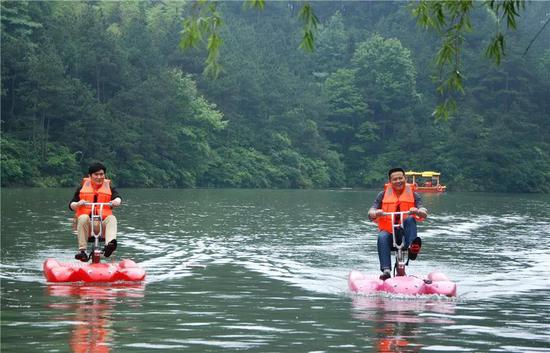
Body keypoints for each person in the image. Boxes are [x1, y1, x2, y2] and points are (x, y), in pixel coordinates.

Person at [368, 168, 428, 280]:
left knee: (410, 219)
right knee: (382, 236)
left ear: (405, 178)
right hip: (390, 235)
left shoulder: (414, 195)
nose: (398, 181)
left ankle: (412, 248)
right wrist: (376, 212)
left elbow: (424, 212)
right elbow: (371, 212)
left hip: (405, 236)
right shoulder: (382, 195)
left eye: (400, 178)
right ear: (390, 181)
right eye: (395, 179)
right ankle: (386, 271)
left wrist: (418, 211)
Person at [69, 162, 121, 261]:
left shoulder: (109, 187)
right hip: (86, 226)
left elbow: (118, 198)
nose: (99, 177)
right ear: (90, 176)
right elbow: (71, 205)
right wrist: (78, 204)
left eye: (101, 174)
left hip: (102, 225)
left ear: (104, 175)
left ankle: (109, 246)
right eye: (96, 174)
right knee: (83, 217)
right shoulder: (81, 188)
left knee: (112, 218)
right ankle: (82, 251)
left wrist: (115, 202)